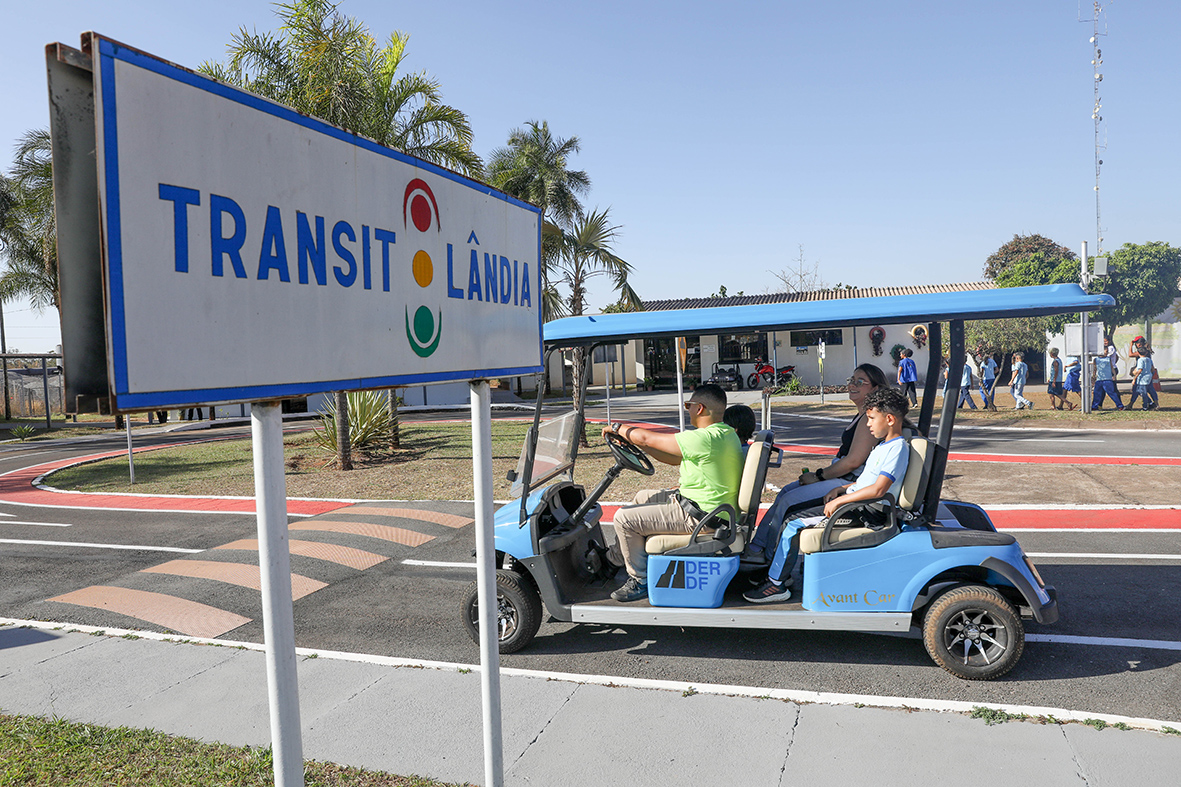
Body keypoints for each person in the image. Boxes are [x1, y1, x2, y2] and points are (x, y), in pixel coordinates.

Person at [743, 388, 911, 603]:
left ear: (889, 419)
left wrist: (842, 499)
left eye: (871, 418)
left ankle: (775, 585)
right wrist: (843, 489)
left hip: (866, 512)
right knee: (792, 512)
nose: (868, 424)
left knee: (793, 524)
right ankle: (777, 575)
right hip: (857, 503)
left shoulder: (897, 449)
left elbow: (878, 490)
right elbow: (867, 481)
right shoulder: (883, 446)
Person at [602, 384, 743, 602]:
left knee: (623, 519)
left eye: (689, 405)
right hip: (707, 509)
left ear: (699, 408)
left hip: (701, 517)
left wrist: (618, 428)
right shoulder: (724, 434)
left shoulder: (705, 438)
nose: (687, 410)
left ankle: (639, 580)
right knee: (642, 497)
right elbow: (673, 457)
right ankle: (613, 560)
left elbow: (648, 438)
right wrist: (636, 444)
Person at [742, 364, 890, 566]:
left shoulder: (868, 419)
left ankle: (766, 558)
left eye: (860, 382)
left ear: (875, 388)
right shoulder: (863, 415)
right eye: (852, 380)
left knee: (788, 502)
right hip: (841, 479)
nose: (852, 385)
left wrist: (819, 476)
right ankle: (757, 547)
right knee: (785, 492)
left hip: (847, 483)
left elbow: (852, 461)